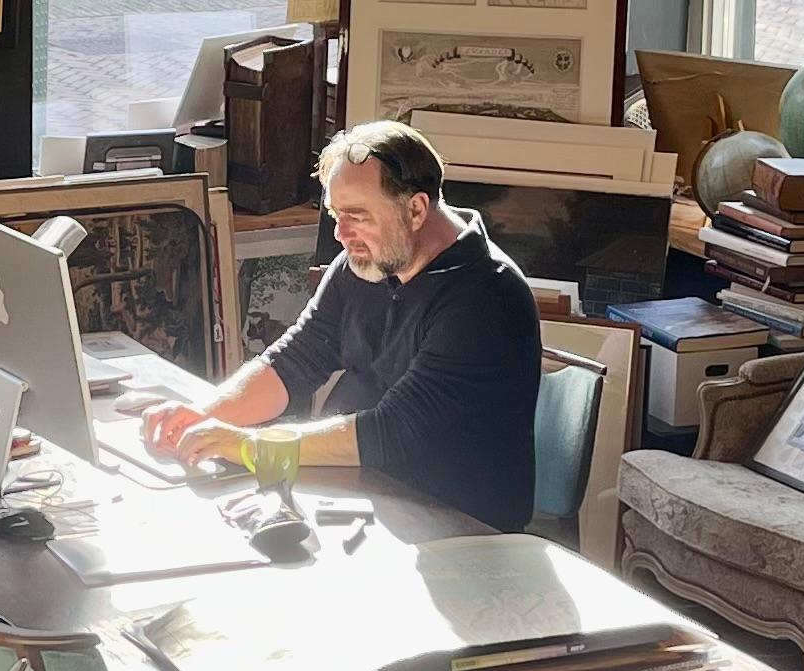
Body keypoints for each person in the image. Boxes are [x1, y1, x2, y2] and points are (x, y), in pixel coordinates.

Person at [142, 120, 539, 533]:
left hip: (458, 526)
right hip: (367, 493)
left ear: (416, 209)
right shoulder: (368, 262)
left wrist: (247, 445)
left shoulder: (486, 296)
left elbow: (390, 433)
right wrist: (199, 419)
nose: (341, 233)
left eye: (357, 216)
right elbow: (295, 360)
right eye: (335, 214)